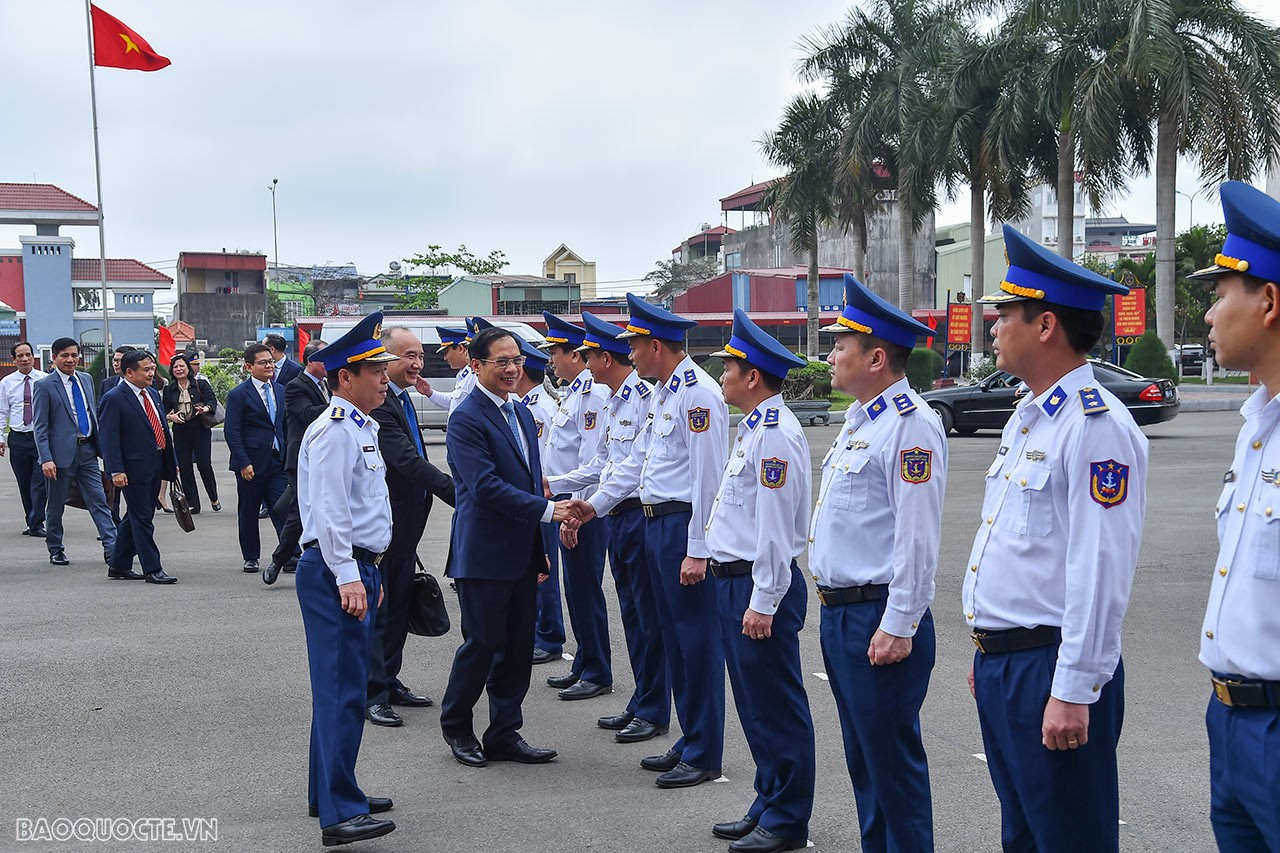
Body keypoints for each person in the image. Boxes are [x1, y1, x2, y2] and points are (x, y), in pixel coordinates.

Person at [964, 224, 1147, 852]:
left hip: (1052, 668)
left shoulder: (1094, 426)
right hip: (1009, 663)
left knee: (1069, 838)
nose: (992, 326)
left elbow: (1099, 569)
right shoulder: (1029, 417)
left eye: (1005, 313)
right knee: (1024, 835)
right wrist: (990, 649)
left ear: (1046, 326)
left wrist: (1072, 688)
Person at [568, 292, 728, 789]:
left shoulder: (697, 393)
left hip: (681, 527)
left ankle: (704, 750)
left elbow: (708, 478)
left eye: (634, 346)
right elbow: (634, 464)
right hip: (656, 524)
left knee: (696, 643)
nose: (628, 355)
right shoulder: (662, 392)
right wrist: (594, 504)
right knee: (675, 642)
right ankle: (688, 736)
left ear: (655, 345)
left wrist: (699, 548)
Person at [810, 275, 946, 852]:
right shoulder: (862, 420)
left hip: (877, 616)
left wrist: (899, 623)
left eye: (841, 345)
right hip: (843, 615)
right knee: (864, 762)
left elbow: (918, 538)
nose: (831, 354)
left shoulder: (910, 425)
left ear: (877, 356)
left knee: (892, 766)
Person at [699, 310, 814, 853]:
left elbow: (773, 529)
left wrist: (764, 599)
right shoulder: (753, 430)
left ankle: (788, 816)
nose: (721, 376)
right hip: (735, 582)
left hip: (757, 585)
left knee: (775, 704)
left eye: (728, 368)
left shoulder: (774, 436)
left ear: (752, 376)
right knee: (752, 701)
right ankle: (769, 798)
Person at [439, 325, 577, 769]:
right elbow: (484, 487)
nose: (513, 369)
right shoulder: (465, 417)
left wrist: (539, 550)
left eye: (517, 360)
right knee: (481, 646)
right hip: (483, 554)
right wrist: (548, 512)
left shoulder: (519, 413)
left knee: (518, 649)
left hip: (520, 553)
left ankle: (503, 732)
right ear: (476, 365)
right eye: (502, 361)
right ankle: (458, 728)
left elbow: (531, 479)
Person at [1190, 180, 1280, 849]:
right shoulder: (1257, 428)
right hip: (1230, 720)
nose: (1210, 315)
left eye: (1222, 293)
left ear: (1269, 301)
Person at [295, 312, 398, 847]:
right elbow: (331, 511)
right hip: (341, 568)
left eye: (383, 369)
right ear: (344, 377)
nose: (384, 378)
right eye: (373, 370)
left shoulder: (359, 425)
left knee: (338, 688)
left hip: (356, 567)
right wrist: (347, 576)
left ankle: (330, 789)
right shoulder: (336, 431)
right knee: (343, 692)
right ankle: (341, 811)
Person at [560, 312, 670, 743]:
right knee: (632, 615)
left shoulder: (643, 395)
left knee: (648, 618)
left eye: (588, 356)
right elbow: (604, 463)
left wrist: (590, 504)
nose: (583, 364)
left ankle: (654, 706)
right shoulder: (614, 399)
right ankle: (642, 699)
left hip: (640, 516)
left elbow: (634, 466)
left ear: (604, 359)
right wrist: (567, 489)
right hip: (617, 515)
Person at [364, 326, 456, 728]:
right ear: (386, 360)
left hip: (408, 525)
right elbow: (406, 461)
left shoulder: (402, 398)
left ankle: (389, 677)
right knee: (381, 608)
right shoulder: (382, 405)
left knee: (399, 604)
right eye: (408, 356)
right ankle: (372, 692)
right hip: (387, 525)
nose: (417, 364)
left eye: (420, 356)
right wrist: (457, 492)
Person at [540, 312, 614, 701]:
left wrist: (572, 503)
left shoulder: (595, 395)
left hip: (585, 506)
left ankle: (598, 669)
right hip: (570, 502)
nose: (550, 360)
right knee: (576, 589)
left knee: (585, 588)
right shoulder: (575, 392)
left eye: (555, 352)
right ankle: (584, 661)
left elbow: (594, 464)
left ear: (576, 355)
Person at [32, 337, 117, 567]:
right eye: (65, 355)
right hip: (59, 458)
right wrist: (46, 458)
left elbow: (92, 414)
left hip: (87, 451)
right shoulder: (44, 385)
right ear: (54, 358)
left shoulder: (86, 379)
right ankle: (56, 548)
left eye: (74, 355)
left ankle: (112, 549)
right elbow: (40, 426)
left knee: (99, 501)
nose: (70, 359)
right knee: (56, 505)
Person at [99, 349, 177, 585]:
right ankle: (152, 567)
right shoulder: (114, 398)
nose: (152, 373)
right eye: (147, 369)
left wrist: (170, 463)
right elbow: (109, 438)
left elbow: (161, 428)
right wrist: (115, 470)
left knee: (135, 515)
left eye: (153, 368)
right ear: (130, 372)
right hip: (131, 469)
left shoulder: (151, 393)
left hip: (155, 462)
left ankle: (119, 564)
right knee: (143, 518)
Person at [515, 340, 566, 667]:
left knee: (544, 568)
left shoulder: (539, 408)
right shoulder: (527, 404)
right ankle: (539, 631)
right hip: (534, 496)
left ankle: (548, 636)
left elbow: (544, 459)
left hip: (543, 496)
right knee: (535, 566)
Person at [264, 341, 328, 586]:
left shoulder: (327, 385)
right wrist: (344, 403)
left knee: (303, 508)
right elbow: (309, 414)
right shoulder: (295, 386)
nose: (329, 365)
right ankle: (278, 561)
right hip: (301, 456)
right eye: (324, 359)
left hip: (323, 454)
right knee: (300, 512)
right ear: (310, 362)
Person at [225, 343, 288, 574]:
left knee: (281, 508)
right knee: (249, 511)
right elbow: (232, 431)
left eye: (271, 361)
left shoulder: (280, 390)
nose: (269, 366)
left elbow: (283, 425)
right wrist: (243, 462)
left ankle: (288, 553)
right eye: (263, 362)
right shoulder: (239, 394)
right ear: (249, 366)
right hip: (251, 463)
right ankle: (251, 556)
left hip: (277, 460)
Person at [0, 341, 49, 537]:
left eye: (28, 354)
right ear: (14, 360)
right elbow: (2, 412)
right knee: (25, 482)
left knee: (40, 481)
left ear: (33, 356)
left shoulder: (45, 380)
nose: (25, 359)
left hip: (40, 438)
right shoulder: (6, 383)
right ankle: (32, 519)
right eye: (20, 356)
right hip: (18, 438)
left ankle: (37, 521)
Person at [161, 353, 219, 514]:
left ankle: (214, 497)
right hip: (180, 430)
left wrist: (205, 409)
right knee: (185, 467)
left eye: (182, 366)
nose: (179, 369)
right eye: (176, 367)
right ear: (172, 370)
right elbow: (163, 410)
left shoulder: (201, 384)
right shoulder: (169, 389)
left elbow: (211, 400)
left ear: (188, 368)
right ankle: (193, 503)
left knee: (204, 465)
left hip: (200, 428)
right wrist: (170, 416)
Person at [420, 326, 475, 413]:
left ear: (461, 349)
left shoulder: (474, 375)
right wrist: (429, 392)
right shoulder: (465, 374)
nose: (445, 358)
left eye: (446, 352)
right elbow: (454, 402)